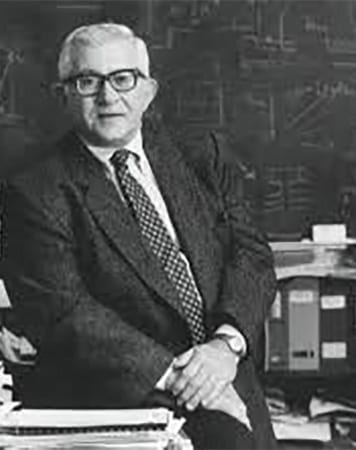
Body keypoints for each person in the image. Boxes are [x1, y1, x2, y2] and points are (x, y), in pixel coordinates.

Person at [2, 23, 277, 449]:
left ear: (148, 90)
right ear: (63, 95)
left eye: (123, 78)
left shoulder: (201, 155)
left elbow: (251, 255)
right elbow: (65, 315)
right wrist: (187, 380)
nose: (109, 97)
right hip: (128, 401)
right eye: (87, 81)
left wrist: (225, 346)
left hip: (229, 376)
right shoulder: (34, 192)